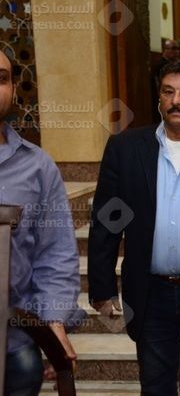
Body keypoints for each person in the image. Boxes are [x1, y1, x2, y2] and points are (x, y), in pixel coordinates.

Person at [88, 59, 180, 396]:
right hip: (151, 292)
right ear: (159, 98)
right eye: (168, 92)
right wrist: (102, 287)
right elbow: (107, 219)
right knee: (156, 384)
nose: (176, 100)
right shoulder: (125, 147)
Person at [0, 49, 82, 395]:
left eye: (2, 79)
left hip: (14, 346)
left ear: (13, 89)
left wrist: (53, 321)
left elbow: (55, 254)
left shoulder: (37, 166)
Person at [151, 39, 179, 123]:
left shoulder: (172, 63)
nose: (176, 51)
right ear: (165, 49)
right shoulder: (161, 65)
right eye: (173, 48)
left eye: (177, 48)